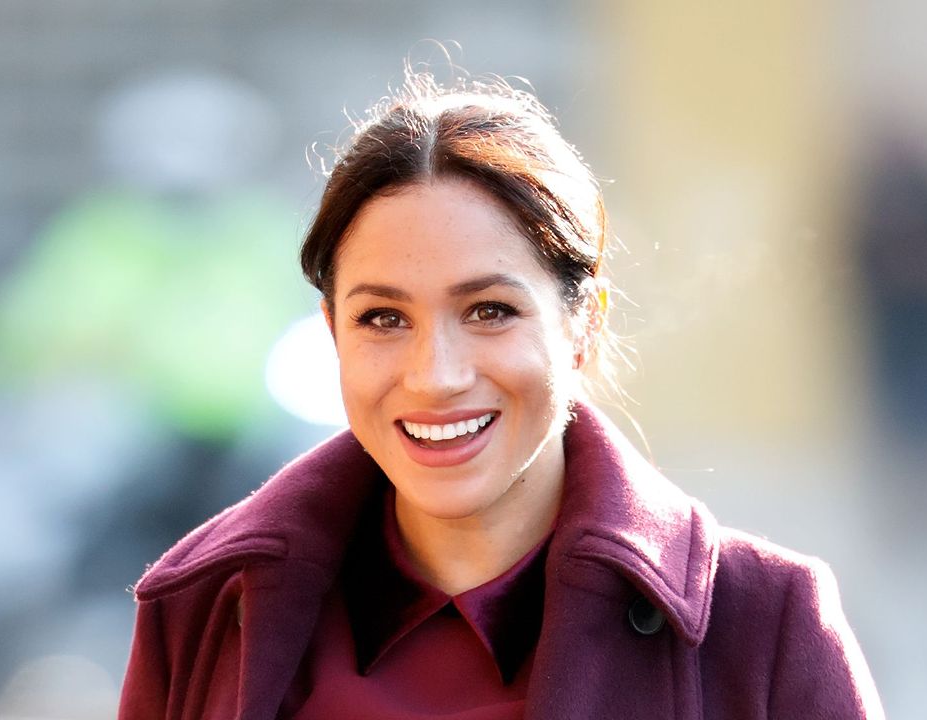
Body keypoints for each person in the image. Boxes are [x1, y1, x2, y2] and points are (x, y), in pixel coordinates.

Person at [117, 72, 884, 719]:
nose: (436, 375)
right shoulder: (204, 609)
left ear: (583, 325)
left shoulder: (764, 625)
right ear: (332, 332)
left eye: (490, 311)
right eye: (383, 318)